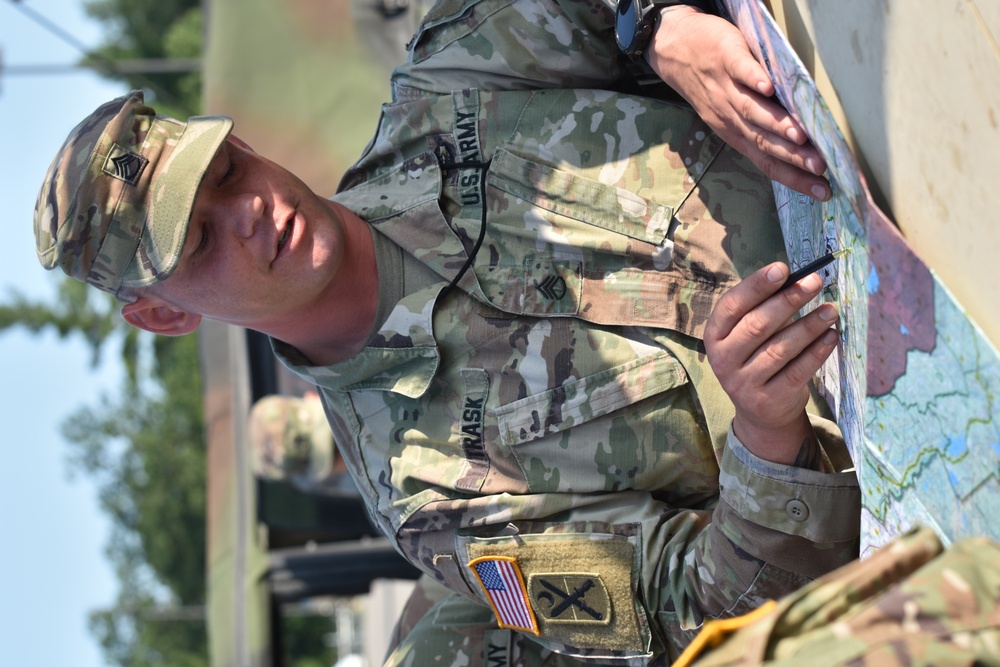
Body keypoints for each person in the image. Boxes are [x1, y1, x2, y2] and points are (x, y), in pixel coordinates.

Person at [33, 1, 859, 663]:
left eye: (228, 172)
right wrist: (765, 436)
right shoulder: (431, 499)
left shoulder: (450, 85)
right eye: (203, 241)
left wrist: (657, 26)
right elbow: (703, 609)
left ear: (243, 142)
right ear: (166, 314)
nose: (249, 211)